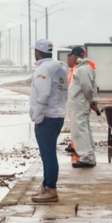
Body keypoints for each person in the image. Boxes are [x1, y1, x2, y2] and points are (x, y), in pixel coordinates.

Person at [29, 39, 68, 203]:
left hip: (47, 117)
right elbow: (63, 92)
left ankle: (51, 189)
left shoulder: (43, 69)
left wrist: (37, 116)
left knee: (48, 155)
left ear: (37, 52)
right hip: (57, 115)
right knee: (49, 154)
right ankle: (46, 185)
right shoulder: (59, 67)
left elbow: (43, 95)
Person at [67, 46, 99, 168]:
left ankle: (87, 156)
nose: (68, 59)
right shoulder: (83, 68)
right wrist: (92, 101)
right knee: (83, 129)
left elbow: (87, 87)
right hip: (79, 105)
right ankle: (89, 155)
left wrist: (92, 100)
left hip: (79, 105)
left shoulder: (83, 69)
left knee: (80, 131)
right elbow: (90, 87)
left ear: (75, 56)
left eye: (69, 57)